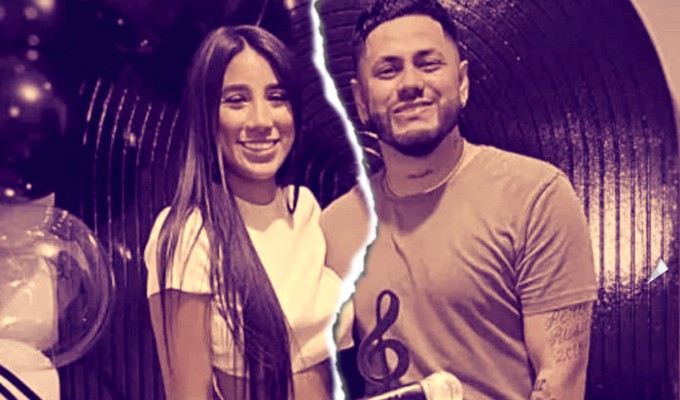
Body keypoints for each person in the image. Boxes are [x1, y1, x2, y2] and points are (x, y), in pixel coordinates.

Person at [320, 0, 598, 399]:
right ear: (361, 100)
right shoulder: (334, 228)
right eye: (388, 70)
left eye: (428, 63)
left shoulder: (536, 197)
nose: (410, 83)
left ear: (462, 82)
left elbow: (561, 381)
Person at [144, 25, 350, 400]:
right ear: (206, 116)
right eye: (236, 100)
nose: (261, 121)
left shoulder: (304, 208)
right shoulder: (190, 233)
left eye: (277, 97)